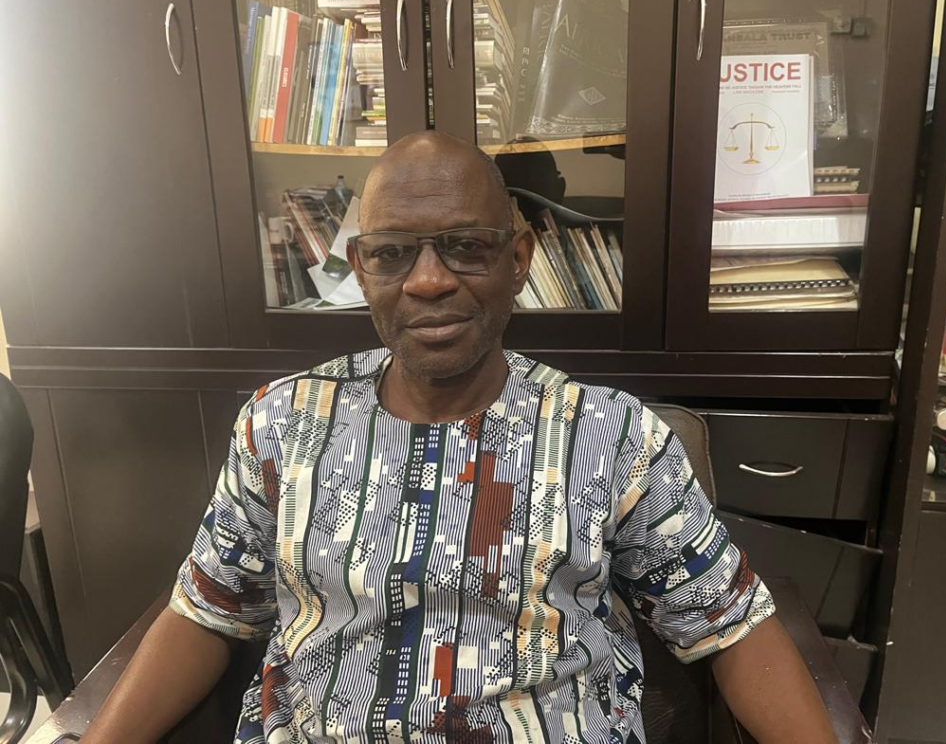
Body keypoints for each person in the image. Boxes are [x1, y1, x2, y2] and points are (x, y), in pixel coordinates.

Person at [82, 131, 836, 744]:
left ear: (518, 259)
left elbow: (732, 625)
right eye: (392, 252)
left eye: (465, 246)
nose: (428, 281)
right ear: (360, 269)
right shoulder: (281, 424)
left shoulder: (612, 436)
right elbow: (207, 613)